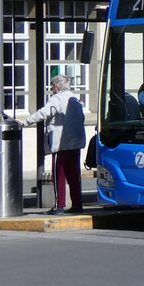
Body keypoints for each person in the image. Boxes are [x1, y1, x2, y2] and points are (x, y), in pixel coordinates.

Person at [23, 74, 87, 214]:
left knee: (59, 174)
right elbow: (82, 118)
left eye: (52, 86)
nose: (52, 89)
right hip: (75, 142)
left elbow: (44, 112)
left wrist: (25, 121)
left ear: (57, 87)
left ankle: (59, 205)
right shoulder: (75, 99)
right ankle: (77, 204)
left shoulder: (56, 99)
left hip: (61, 143)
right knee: (74, 175)